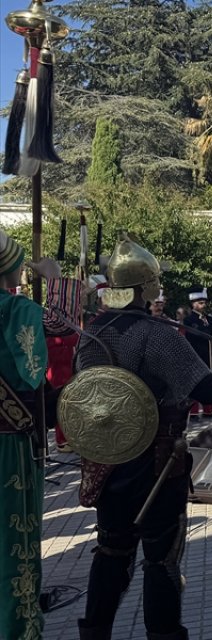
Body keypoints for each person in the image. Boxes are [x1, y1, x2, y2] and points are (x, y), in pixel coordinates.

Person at [75, 233, 212, 640]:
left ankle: (94, 633)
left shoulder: (92, 333)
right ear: (146, 288)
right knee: (161, 560)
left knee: (110, 550)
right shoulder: (155, 334)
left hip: (109, 465)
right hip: (157, 464)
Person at [0, 232, 79, 640]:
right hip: (7, 444)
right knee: (13, 544)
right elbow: (60, 325)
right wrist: (56, 279)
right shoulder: (13, 307)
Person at [181, 285, 212, 420]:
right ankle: (193, 412)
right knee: (196, 384)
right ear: (193, 304)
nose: (203, 305)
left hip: (210, 355)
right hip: (197, 355)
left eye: (204, 303)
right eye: (200, 303)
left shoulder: (209, 319)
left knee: (210, 382)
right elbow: (199, 334)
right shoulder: (189, 319)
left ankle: (208, 410)